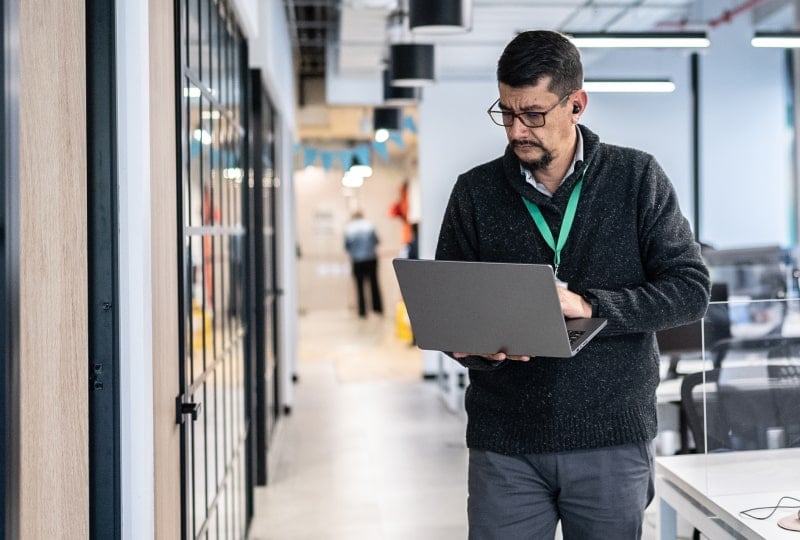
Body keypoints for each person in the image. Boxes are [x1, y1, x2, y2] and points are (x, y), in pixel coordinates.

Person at [435, 30, 710, 539]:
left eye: (534, 114)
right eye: (507, 112)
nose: (517, 130)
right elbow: (452, 309)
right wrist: (475, 349)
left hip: (610, 437)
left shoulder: (636, 177)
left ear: (576, 104)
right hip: (505, 443)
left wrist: (589, 305)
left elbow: (691, 290)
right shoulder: (474, 192)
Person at [344, 210, 383, 318]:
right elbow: (376, 241)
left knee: (359, 285)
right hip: (371, 258)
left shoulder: (349, 228)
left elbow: (346, 246)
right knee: (374, 284)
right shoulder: (369, 225)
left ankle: (362, 311)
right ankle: (377, 309)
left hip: (357, 260)